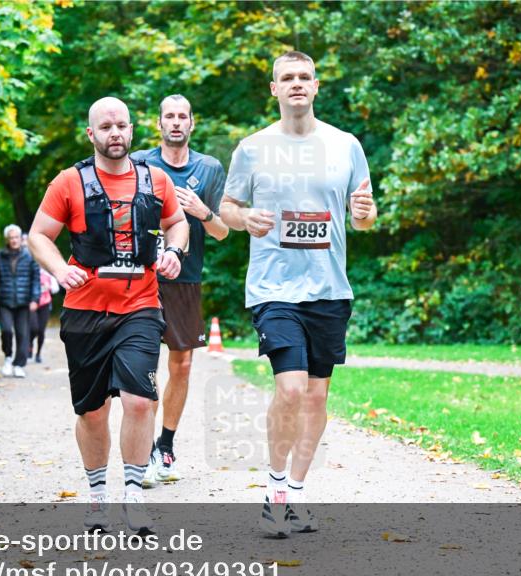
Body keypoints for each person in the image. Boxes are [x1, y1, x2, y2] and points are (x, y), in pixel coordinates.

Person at [219, 51, 377, 537]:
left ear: (316, 86)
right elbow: (226, 207)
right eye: (287, 77)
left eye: (304, 77)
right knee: (289, 388)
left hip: (329, 287)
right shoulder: (252, 148)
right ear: (274, 88)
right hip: (274, 287)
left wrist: (365, 213)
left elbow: (364, 217)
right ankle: (274, 490)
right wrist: (244, 218)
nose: (296, 84)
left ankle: (299, 493)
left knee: (316, 395)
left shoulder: (345, 145)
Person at [28, 97, 189, 535]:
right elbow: (39, 235)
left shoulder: (156, 180)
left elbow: (178, 224)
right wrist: (60, 268)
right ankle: (98, 498)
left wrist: (174, 250)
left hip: (140, 305)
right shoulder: (68, 182)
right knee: (93, 411)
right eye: (105, 127)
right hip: (84, 312)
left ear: (132, 130)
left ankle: (133, 497)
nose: (114, 133)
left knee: (140, 399)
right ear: (91, 134)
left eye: (121, 125)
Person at [131, 95, 228, 487]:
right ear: (159, 124)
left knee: (182, 364)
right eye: (168, 117)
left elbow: (223, 232)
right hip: (143, 277)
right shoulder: (140, 162)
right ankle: (142, 453)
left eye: (182, 116)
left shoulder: (209, 168)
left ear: (192, 123)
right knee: (143, 367)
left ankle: (165, 446)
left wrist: (202, 211)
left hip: (186, 280)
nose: (175, 123)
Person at [0, 225, 40, 378]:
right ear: (7, 240)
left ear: (20, 238)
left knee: (22, 334)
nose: (14, 240)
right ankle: (8, 357)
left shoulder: (29, 256)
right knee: (6, 330)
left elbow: (35, 279)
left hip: (24, 302)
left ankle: (19, 364)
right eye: (11, 238)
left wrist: (34, 298)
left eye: (16, 237)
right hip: (4, 301)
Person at [29, 267, 59, 363]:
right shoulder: (30, 272)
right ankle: (29, 345)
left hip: (45, 304)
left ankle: (38, 354)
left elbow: (55, 289)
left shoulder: (48, 274)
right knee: (34, 328)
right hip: (32, 304)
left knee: (41, 330)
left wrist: (48, 287)